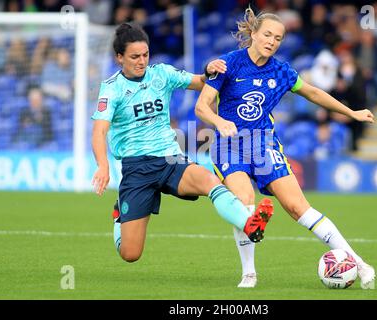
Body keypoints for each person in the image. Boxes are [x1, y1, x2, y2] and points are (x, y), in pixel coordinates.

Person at [195, 7, 376, 289]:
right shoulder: (227, 64)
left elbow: (314, 93)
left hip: (263, 145)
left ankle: (360, 264)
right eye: (267, 34)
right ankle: (249, 274)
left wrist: (351, 113)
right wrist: (219, 121)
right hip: (228, 147)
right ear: (253, 34)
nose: (271, 41)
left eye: (278, 38)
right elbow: (201, 106)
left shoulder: (281, 71)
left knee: (297, 207)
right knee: (244, 202)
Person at [91, 22, 273, 266]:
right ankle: (119, 216)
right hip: (137, 169)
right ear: (119, 58)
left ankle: (249, 225)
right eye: (135, 56)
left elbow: (200, 81)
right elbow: (99, 131)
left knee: (210, 181)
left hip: (169, 159)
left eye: (145, 54)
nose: (142, 61)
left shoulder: (162, 73)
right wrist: (103, 166)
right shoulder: (111, 89)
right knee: (130, 254)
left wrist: (208, 70)